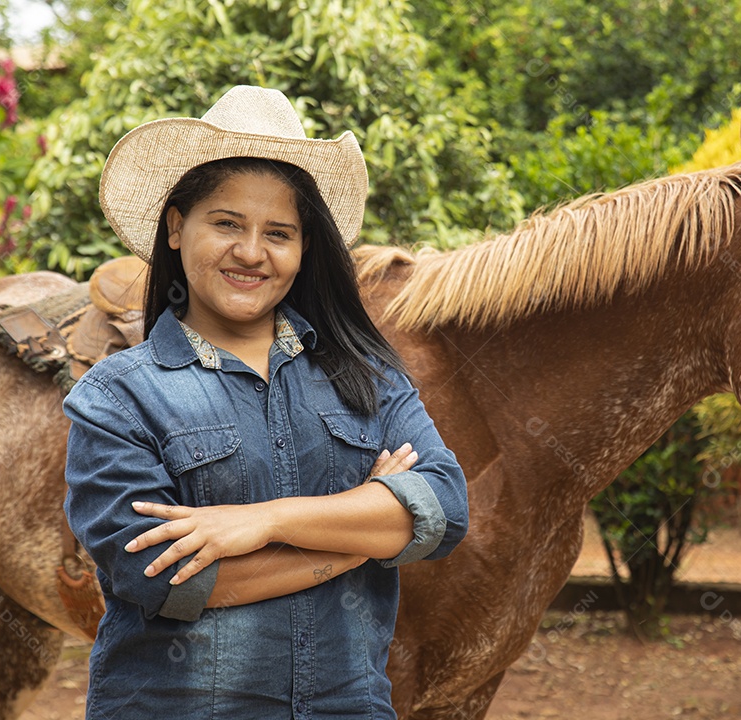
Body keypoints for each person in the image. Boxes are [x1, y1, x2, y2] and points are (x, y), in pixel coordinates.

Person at [63, 85, 469, 718]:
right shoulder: (117, 397)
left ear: (304, 248)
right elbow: (167, 578)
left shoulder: (369, 377)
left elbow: (443, 509)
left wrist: (264, 520)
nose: (252, 253)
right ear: (176, 226)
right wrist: (364, 530)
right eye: (226, 224)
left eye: (278, 232)